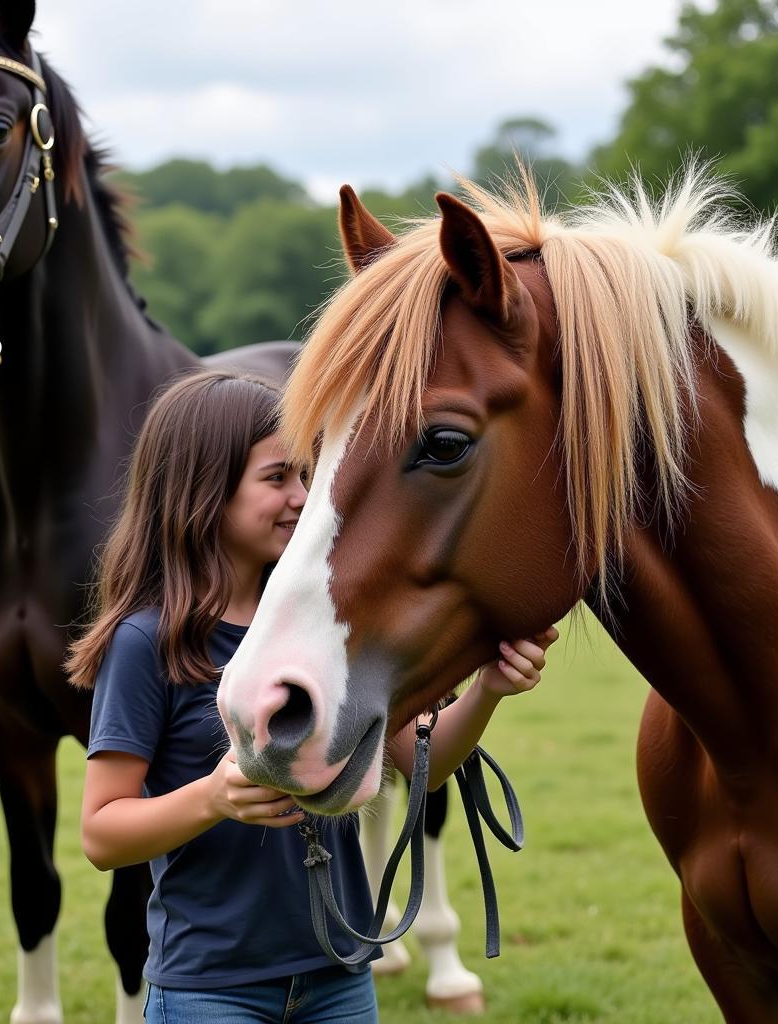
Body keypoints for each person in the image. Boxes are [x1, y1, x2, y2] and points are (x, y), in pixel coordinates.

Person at [71, 370, 557, 1024]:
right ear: (201, 492)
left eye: (307, 473)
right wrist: (212, 799)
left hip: (341, 978)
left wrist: (489, 692)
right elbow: (102, 834)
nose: (304, 496)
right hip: (210, 989)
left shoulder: (325, 625)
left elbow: (419, 767)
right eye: (278, 479)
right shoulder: (147, 643)